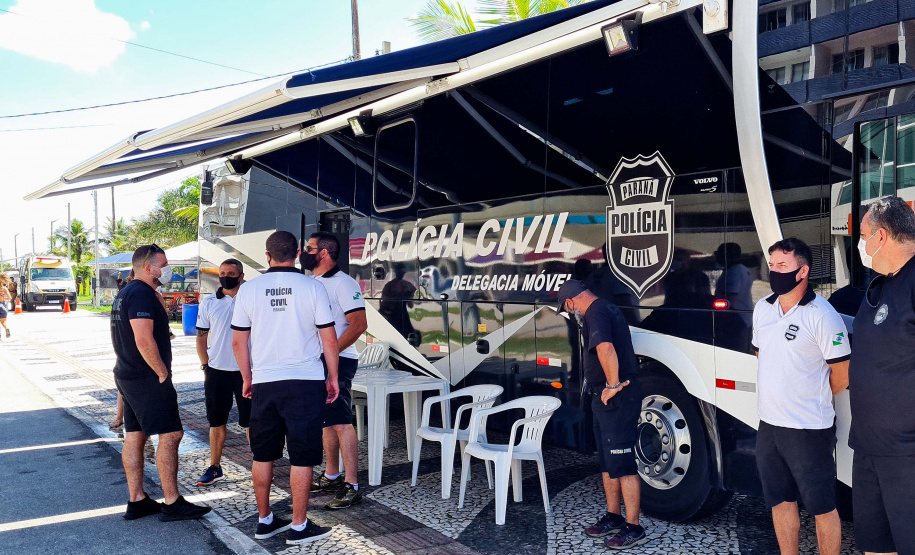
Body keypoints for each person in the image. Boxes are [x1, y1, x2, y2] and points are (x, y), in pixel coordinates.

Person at [231, 230, 340, 545]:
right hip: (305, 382)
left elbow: (239, 341)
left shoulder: (248, 291)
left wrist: (247, 377)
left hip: (265, 381)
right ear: (296, 254)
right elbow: (328, 338)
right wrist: (331, 377)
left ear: (267, 256)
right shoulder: (313, 287)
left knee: (262, 454)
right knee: (302, 456)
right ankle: (298, 525)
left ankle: (265, 520)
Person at [751, 238, 849, 555]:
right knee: (780, 501)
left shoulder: (822, 315)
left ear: (803, 271)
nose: (774, 271)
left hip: (808, 429)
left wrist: (810, 397)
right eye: (772, 264)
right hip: (769, 425)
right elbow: (762, 354)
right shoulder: (762, 309)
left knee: (822, 507)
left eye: (782, 265)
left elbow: (842, 373)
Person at [110, 244, 211, 521]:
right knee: (171, 434)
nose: (167, 270)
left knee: (135, 435)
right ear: (147, 267)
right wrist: (162, 373)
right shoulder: (141, 294)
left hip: (128, 374)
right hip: (146, 377)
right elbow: (143, 339)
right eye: (163, 264)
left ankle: (138, 500)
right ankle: (172, 501)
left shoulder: (126, 292)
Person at [558, 280, 647, 550]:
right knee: (608, 462)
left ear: (571, 302)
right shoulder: (604, 307)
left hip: (616, 398)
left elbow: (605, 347)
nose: (569, 312)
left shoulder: (595, 312)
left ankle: (634, 527)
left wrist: (612, 385)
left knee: (623, 464)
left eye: (566, 308)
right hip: (602, 397)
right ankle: (613, 516)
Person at [849, 196, 915, 555]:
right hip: (868, 449)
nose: (858, 243)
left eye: (862, 234)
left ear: (882, 236)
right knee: (875, 547)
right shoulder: (880, 283)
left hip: (907, 456)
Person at [303, 232, 368, 509]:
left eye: (309, 248)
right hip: (319, 360)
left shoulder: (344, 283)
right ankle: (331, 474)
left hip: (340, 360)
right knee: (326, 420)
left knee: (341, 421)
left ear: (324, 253)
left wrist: (332, 353)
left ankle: (351, 485)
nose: (304, 252)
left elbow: (358, 324)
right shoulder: (312, 282)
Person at [194, 258, 252, 486]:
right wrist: (205, 365)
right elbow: (201, 337)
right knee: (216, 421)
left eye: (230, 272)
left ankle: (260, 465)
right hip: (217, 372)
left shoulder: (251, 299)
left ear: (241, 275)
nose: (225, 276)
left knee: (251, 423)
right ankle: (215, 466)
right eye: (222, 272)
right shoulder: (208, 302)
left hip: (247, 371)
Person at [715, 242, 754, 326]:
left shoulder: (733, 272)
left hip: (734, 321)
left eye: (718, 253)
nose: (716, 256)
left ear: (726, 255)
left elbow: (730, 300)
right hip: (744, 319)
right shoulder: (743, 269)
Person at [0, 275, 12, 340]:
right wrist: (4, 298)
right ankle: (6, 328)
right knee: (3, 321)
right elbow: (10, 297)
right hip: (2, 305)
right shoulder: (4, 288)